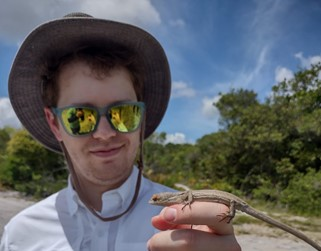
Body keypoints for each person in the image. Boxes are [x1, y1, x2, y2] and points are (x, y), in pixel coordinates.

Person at [0, 13, 241, 251]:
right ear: (54, 124)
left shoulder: (190, 224)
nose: (104, 133)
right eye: (79, 117)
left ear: (141, 117)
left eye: (124, 113)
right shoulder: (19, 236)